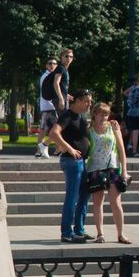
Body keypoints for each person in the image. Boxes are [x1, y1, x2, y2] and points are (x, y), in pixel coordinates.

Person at [49, 91, 93, 244]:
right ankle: (67, 232)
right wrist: (69, 148)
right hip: (72, 162)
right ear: (78, 101)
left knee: (84, 195)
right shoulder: (67, 116)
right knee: (72, 197)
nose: (89, 104)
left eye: (90, 101)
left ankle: (79, 229)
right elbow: (54, 133)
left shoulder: (81, 117)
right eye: (87, 101)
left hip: (83, 162)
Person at [84, 101, 130, 243]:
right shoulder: (89, 128)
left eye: (106, 114)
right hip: (95, 168)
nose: (103, 117)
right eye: (100, 114)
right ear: (95, 114)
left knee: (115, 202)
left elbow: (121, 149)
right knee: (98, 201)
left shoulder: (113, 127)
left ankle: (120, 234)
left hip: (112, 167)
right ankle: (100, 233)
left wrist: (124, 170)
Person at [35, 57, 59, 158]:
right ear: (46, 65)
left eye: (54, 63)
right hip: (49, 106)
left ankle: (40, 150)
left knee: (46, 129)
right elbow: (55, 90)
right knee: (55, 128)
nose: (52, 65)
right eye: (50, 63)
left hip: (49, 106)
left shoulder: (50, 75)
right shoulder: (47, 76)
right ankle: (46, 148)